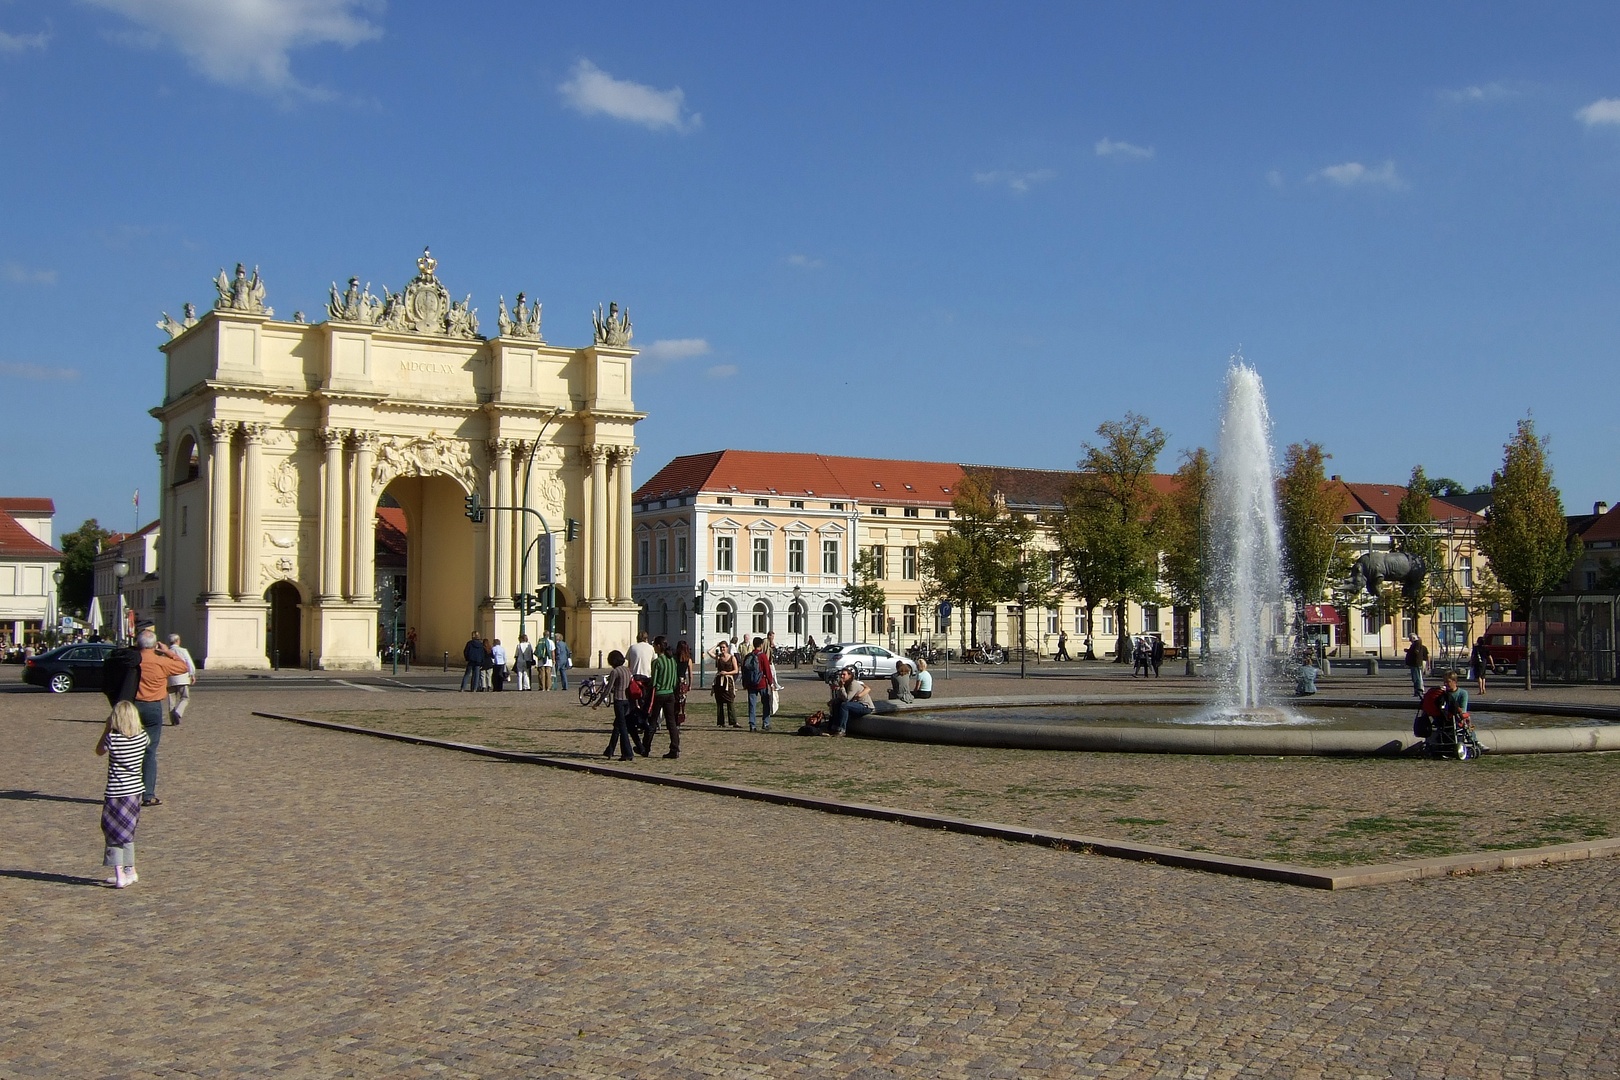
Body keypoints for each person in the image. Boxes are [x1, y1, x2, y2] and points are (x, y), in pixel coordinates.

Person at [130, 620, 190, 807]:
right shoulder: (160, 661)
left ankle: (125, 792)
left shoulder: (131, 660)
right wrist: (167, 651)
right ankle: (148, 794)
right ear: (155, 645)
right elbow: (183, 666)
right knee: (149, 751)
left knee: (128, 750)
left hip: (131, 707)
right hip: (152, 707)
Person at [97, 700, 149, 888]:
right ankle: (130, 869)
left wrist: (106, 730)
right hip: (135, 791)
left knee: (113, 832)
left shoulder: (113, 738)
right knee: (128, 830)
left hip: (116, 791)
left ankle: (119, 873)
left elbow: (99, 751)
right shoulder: (143, 737)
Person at [646, 636, 681, 758]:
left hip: (660, 694)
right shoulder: (672, 661)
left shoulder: (657, 662)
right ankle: (675, 748)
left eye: (654, 645)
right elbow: (675, 680)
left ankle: (646, 747)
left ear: (659, 646)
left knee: (653, 720)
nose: (654, 647)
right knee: (671, 722)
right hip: (670, 693)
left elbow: (654, 682)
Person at [602, 650, 636, 762]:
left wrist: (598, 702)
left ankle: (627, 753)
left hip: (619, 701)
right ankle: (610, 750)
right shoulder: (627, 670)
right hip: (627, 701)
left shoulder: (615, 672)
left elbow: (608, 689)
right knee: (617, 726)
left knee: (622, 728)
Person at [827, 666, 874, 736]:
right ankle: (834, 727)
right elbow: (841, 697)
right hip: (855, 704)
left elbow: (847, 699)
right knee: (836, 703)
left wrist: (841, 687)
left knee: (844, 705)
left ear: (850, 676)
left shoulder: (853, 684)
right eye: (841, 675)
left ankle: (842, 730)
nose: (842, 676)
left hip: (865, 706)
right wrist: (833, 701)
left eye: (844, 674)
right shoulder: (844, 683)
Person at [742, 636, 774, 732]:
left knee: (752, 704)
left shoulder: (748, 656)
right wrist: (771, 682)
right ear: (761, 645)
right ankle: (766, 723)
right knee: (766, 703)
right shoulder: (762, 656)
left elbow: (744, 670)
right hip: (761, 682)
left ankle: (752, 725)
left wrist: (745, 683)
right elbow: (767, 670)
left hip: (751, 683)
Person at [165, 633, 196, 724]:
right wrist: (192, 674)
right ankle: (178, 712)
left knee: (171, 700)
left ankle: (173, 721)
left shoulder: (166, 652)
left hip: (170, 678)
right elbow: (189, 662)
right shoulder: (183, 651)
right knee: (185, 697)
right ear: (178, 641)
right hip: (182, 678)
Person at [711, 640, 739, 727]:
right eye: (721, 647)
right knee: (719, 702)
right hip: (719, 682)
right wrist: (716, 644)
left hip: (728, 681)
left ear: (727, 648)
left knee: (730, 701)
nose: (722, 649)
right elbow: (709, 652)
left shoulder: (732, 658)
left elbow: (736, 670)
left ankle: (733, 721)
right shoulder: (719, 657)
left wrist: (726, 673)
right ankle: (720, 722)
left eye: (724, 647)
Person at [673, 639, 693, 730]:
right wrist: (690, 684)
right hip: (682, 681)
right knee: (681, 703)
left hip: (674, 681)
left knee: (674, 701)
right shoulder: (688, 659)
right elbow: (690, 674)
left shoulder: (674, 658)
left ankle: (674, 719)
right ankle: (679, 721)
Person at [1405, 633, 1429, 698]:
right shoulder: (1416, 644)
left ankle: (1419, 691)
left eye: (1410, 639)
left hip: (1416, 664)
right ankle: (1417, 691)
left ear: (1413, 638)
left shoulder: (1417, 644)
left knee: (1417, 677)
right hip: (1414, 663)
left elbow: (1416, 652)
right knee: (1416, 678)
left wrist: (1409, 651)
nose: (1410, 640)